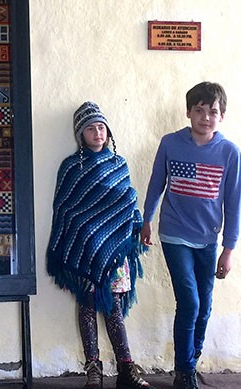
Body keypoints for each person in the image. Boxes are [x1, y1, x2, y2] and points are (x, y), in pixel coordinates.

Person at [142, 82, 241, 389]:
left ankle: (192, 354)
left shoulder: (229, 153)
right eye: (198, 110)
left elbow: (233, 203)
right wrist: (146, 220)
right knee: (189, 302)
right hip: (174, 234)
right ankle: (184, 371)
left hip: (208, 240)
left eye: (212, 111)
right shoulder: (170, 143)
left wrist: (229, 248)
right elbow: (156, 184)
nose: (205, 117)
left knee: (205, 304)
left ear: (221, 116)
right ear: (188, 112)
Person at [47, 102, 150, 389]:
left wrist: (139, 226)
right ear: (81, 134)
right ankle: (93, 369)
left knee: (114, 308)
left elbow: (129, 202)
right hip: (85, 251)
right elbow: (66, 210)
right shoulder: (71, 167)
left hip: (114, 254)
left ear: (108, 130)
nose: (97, 133)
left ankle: (126, 368)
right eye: (90, 128)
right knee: (87, 306)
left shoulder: (119, 164)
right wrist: (86, 235)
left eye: (101, 127)